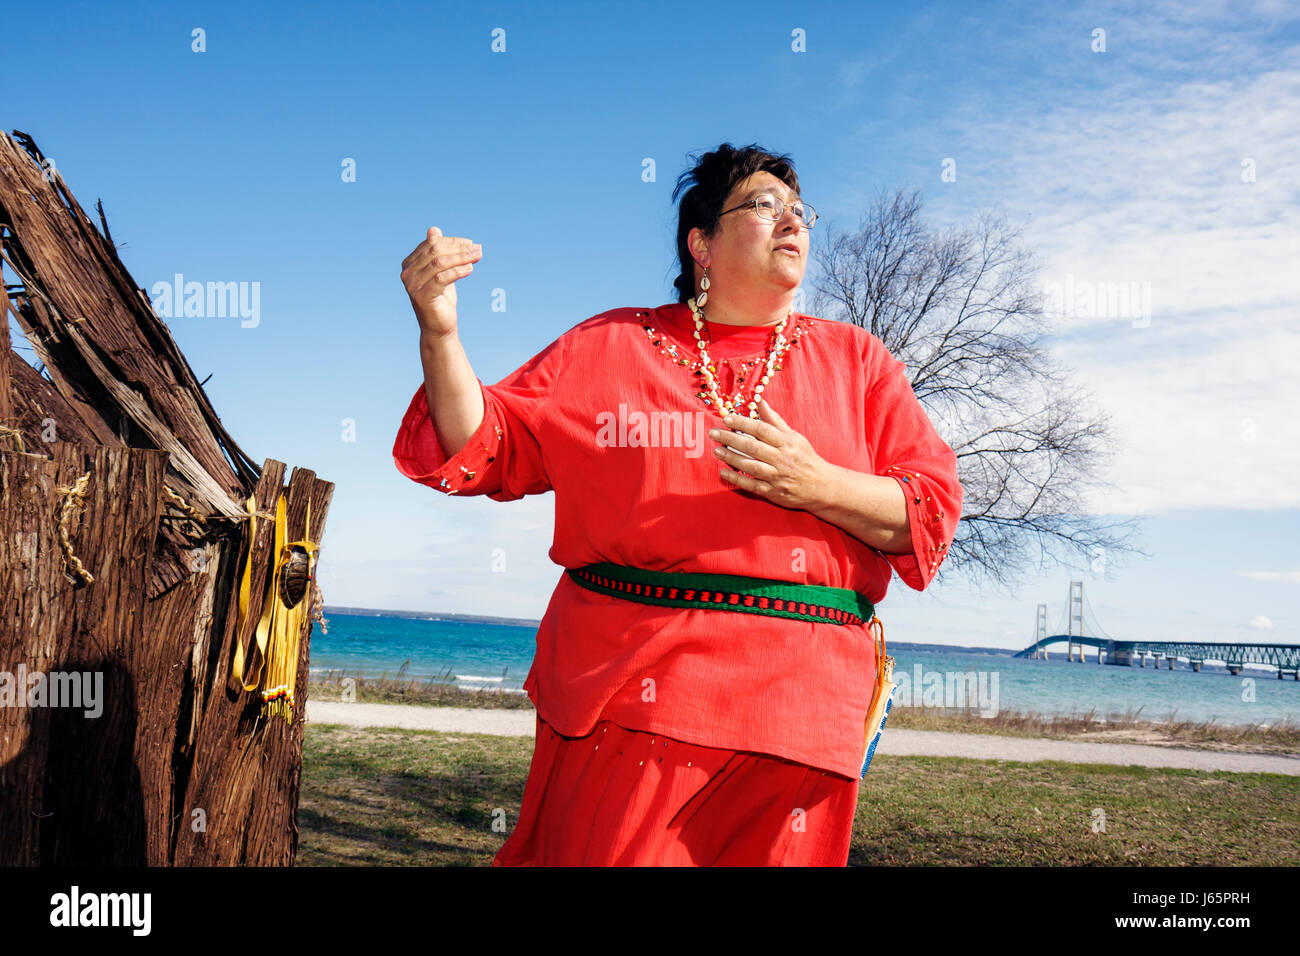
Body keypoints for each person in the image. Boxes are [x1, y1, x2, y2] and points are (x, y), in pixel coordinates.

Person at [392, 143, 963, 866]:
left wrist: (816, 484)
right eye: (762, 205)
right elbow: (484, 443)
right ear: (702, 244)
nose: (791, 220)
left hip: (804, 721)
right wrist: (439, 333)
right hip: (634, 703)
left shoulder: (859, 363)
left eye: (799, 210)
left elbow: (930, 509)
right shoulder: (612, 345)